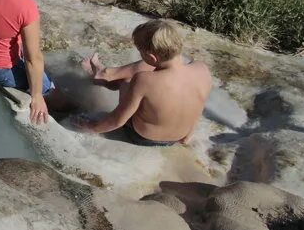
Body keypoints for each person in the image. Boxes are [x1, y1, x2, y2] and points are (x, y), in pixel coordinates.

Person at [76, 19, 213, 145]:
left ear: (150, 56)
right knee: (153, 71)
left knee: (126, 82)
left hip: (144, 137)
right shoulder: (202, 70)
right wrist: (187, 135)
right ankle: (106, 74)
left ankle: (105, 76)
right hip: (179, 137)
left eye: (141, 52)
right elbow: (198, 106)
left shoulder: (143, 80)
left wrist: (91, 126)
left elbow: (117, 120)